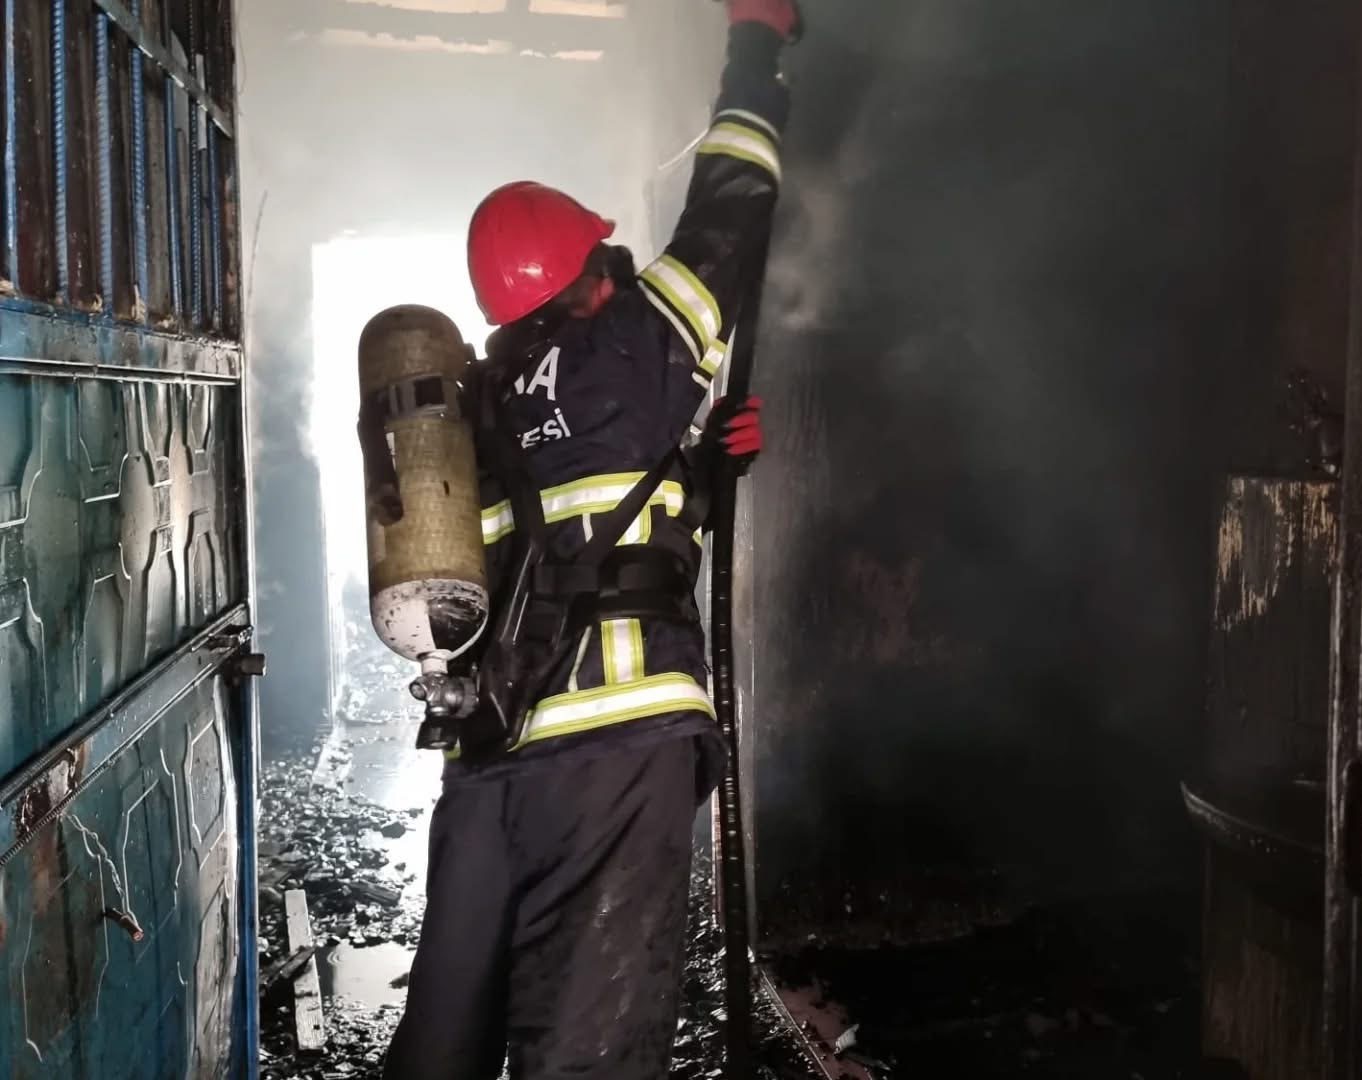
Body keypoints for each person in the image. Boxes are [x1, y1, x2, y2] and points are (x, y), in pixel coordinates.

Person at [384, 2, 797, 1076]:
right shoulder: (638, 337)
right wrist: (758, 43)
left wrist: (700, 473)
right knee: (592, 1047)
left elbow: (535, 544)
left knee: (446, 1044)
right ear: (592, 271)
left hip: (490, 759)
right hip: (616, 747)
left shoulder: (476, 401)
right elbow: (734, 198)